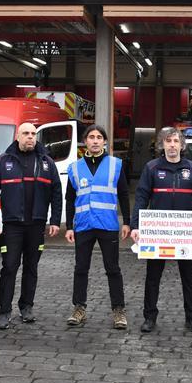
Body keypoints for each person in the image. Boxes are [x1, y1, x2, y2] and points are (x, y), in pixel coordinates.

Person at [131, 127, 192, 333]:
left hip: (186, 234)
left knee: (189, 277)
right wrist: (135, 226)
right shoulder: (151, 168)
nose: (173, 145)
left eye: (176, 141)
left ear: (182, 145)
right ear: (162, 145)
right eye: (168, 141)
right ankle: (149, 317)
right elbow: (141, 197)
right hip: (158, 233)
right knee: (152, 277)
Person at [0, 122, 62, 329]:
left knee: (31, 268)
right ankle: (4, 311)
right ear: (17, 136)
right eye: (26, 133)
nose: (30, 137)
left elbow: (56, 192)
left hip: (36, 225)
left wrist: (55, 220)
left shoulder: (46, 162)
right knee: (9, 267)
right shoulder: (3, 161)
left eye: (33, 134)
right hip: (12, 227)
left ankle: (26, 307)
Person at [64, 125, 130, 329]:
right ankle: (79, 308)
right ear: (85, 141)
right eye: (91, 137)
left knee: (113, 269)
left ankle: (118, 311)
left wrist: (127, 221)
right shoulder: (75, 167)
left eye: (99, 137)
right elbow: (69, 198)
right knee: (80, 268)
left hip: (107, 224)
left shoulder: (115, 165)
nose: (95, 140)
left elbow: (124, 194)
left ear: (104, 141)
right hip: (83, 225)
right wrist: (68, 226)